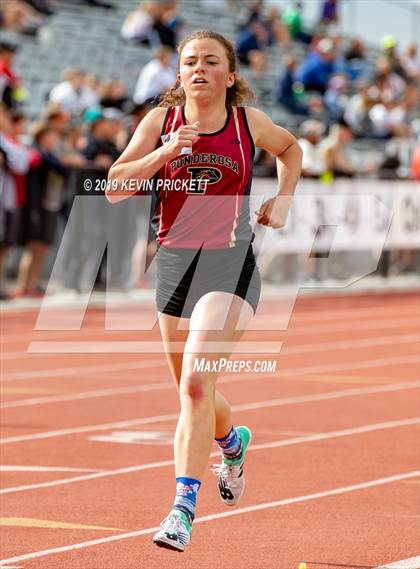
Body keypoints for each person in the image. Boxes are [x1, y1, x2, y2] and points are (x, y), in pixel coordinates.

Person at [107, 29, 301, 552]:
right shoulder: (159, 123)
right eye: (189, 61)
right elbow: (114, 186)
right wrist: (163, 154)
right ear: (178, 73)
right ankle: (231, 442)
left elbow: (290, 147)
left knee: (195, 384)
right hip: (174, 264)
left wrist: (283, 198)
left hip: (229, 263)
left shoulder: (246, 123)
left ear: (229, 76)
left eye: (211, 61)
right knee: (194, 392)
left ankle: (181, 510)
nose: (198, 69)